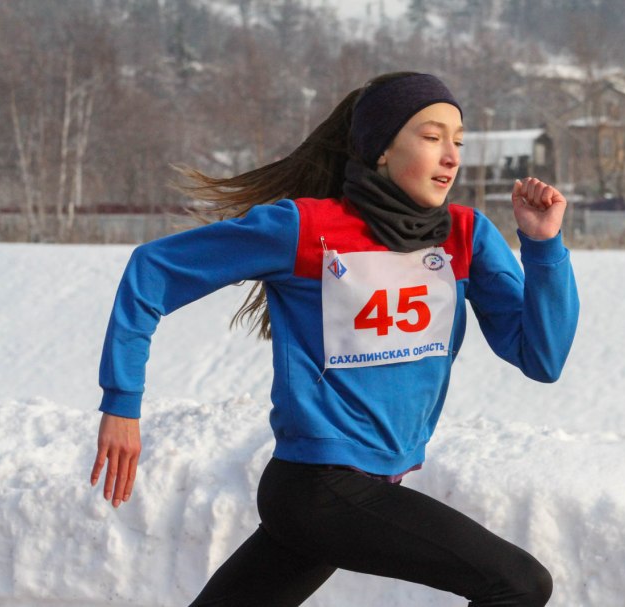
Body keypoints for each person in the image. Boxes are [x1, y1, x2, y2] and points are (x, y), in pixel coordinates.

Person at [90, 71, 579, 606]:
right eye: (432, 136)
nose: (451, 156)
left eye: (458, 141)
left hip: (358, 492)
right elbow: (153, 270)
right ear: (382, 150)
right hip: (316, 489)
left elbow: (542, 355)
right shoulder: (304, 230)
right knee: (518, 583)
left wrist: (544, 246)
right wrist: (122, 404)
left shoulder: (467, 236)